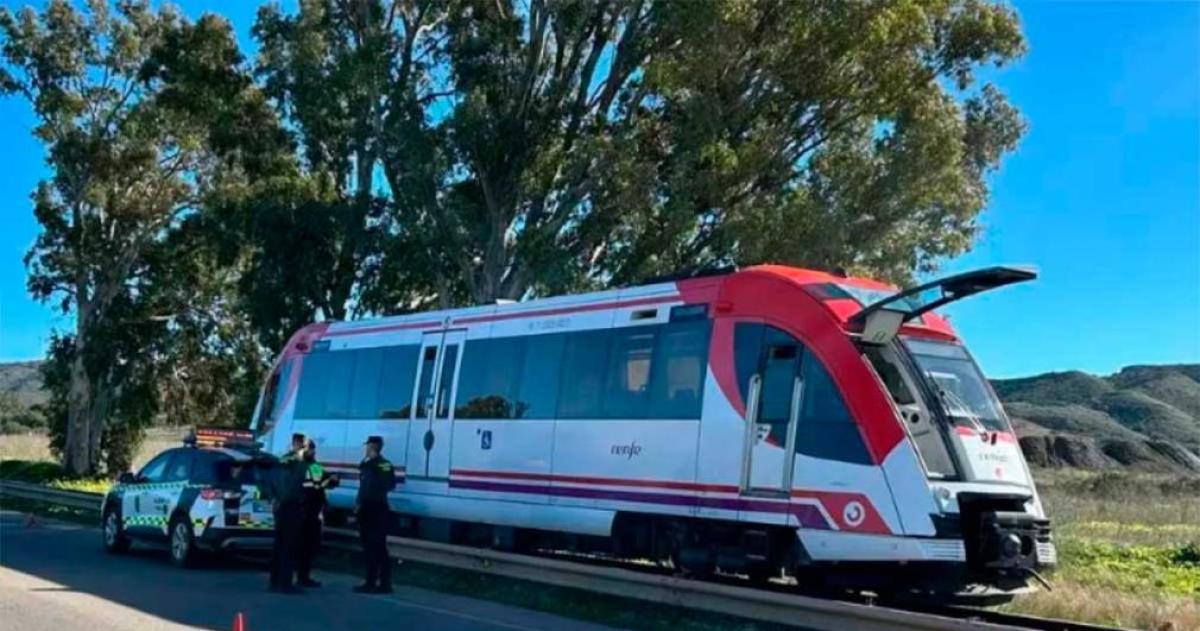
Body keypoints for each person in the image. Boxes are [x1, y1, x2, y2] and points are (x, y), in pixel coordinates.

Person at [261, 437, 308, 594]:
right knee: (289, 546)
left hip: (279, 507)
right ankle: (285, 584)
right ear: (302, 446)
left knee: (279, 545)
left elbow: (268, 482)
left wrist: (273, 499)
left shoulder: (282, 460)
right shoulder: (299, 463)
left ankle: (274, 581)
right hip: (291, 506)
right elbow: (295, 485)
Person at [354, 435, 396, 594]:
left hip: (376, 508)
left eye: (368, 446)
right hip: (366, 508)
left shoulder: (383, 464)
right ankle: (371, 581)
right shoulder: (366, 464)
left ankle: (381, 583)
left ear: (372, 446)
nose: (366, 448)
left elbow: (389, 484)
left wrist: (367, 497)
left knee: (377, 547)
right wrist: (358, 503)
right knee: (369, 546)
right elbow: (363, 487)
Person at [296, 438, 337, 588]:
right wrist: (332, 479)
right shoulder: (313, 467)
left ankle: (292, 577)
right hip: (310, 512)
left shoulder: (296, 466)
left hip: (297, 510)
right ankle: (302, 577)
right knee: (307, 546)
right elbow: (321, 485)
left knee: (297, 545)